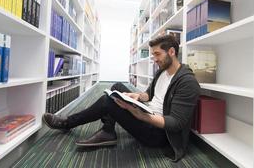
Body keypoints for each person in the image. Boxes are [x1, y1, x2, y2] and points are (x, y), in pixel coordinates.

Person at [42, 34, 200, 161]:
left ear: (171, 52)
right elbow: (149, 95)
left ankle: (67, 123)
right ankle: (108, 130)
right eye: (153, 55)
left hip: (158, 134)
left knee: (108, 101)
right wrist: (136, 96)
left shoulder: (187, 82)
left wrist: (141, 115)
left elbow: (176, 123)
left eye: (157, 54)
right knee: (117, 87)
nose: (154, 59)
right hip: (148, 113)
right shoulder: (162, 70)